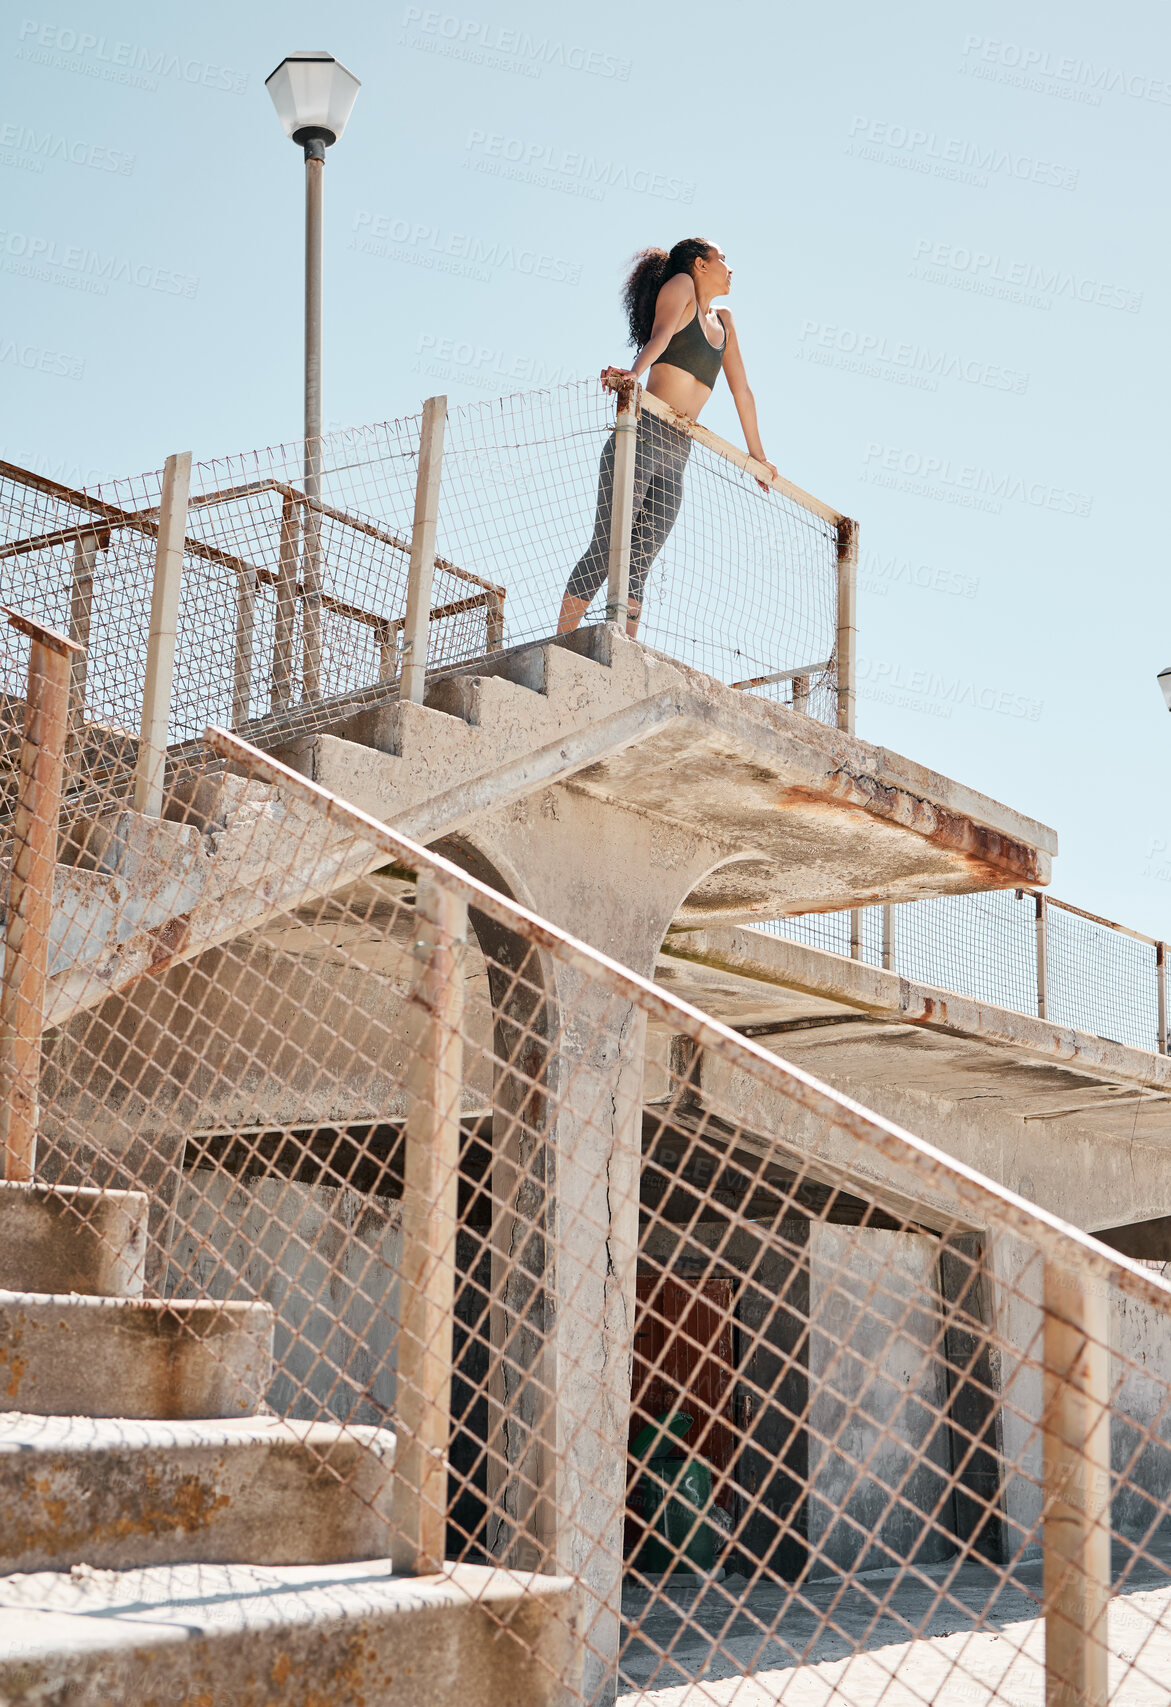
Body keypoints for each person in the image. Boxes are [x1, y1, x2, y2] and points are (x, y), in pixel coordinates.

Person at [558, 238, 777, 637]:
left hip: (679, 455)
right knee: (609, 546)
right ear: (700, 264)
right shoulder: (681, 287)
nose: (731, 268)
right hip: (643, 436)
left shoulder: (725, 320)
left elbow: (741, 390)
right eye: (723, 259)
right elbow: (658, 339)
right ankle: (558, 640)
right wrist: (632, 374)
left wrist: (757, 457)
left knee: (639, 560)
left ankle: (622, 650)